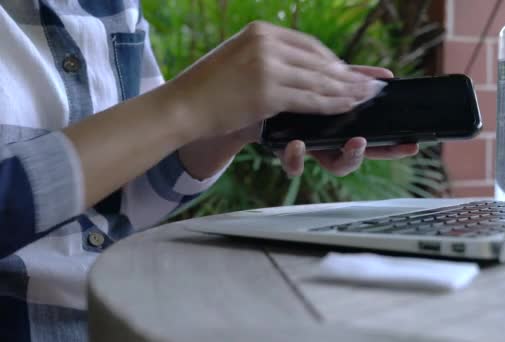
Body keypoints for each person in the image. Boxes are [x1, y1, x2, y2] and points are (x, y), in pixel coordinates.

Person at [0, 1, 418, 340]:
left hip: (126, 318)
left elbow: (118, 203)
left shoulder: (114, 7)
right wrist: (184, 107)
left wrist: (232, 125)